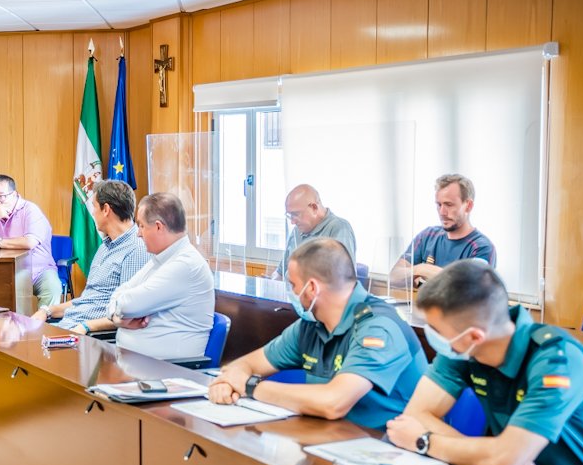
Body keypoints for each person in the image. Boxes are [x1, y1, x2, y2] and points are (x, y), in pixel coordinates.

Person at [386, 259, 583, 465]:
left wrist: (424, 441)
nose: (431, 335)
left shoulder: (558, 361)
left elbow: (504, 461)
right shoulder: (460, 348)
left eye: (435, 329)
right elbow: (416, 414)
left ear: (474, 337)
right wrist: (493, 454)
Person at [211, 238, 426, 429]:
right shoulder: (312, 324)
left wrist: (251, 386)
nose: (292, 293)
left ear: (312, 288)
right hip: (334, 440)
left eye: (293, 285)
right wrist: (228, 381)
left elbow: (333, 403)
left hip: (390, 452)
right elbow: (244, 365)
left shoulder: (378, 327)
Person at [33, 180, 149, 335]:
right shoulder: (105, 246)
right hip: (71, 324)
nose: (93, 213)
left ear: (106, 209)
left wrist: (86, 327)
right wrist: (47, 311)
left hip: (87, 336)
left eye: (94, 207)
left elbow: (128, 315)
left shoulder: (136, 250)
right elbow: (87, 300)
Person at [107, 192, 214, 359]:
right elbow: (119, 294)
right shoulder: (162, 258)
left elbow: (127, 304)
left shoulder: (185, 264)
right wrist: (116, 317)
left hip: (166, 372)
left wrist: (118, 310)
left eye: (141, 226)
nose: (138, 234)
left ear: (158, 226)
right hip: (134, 365)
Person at [0, 174, 61, 306]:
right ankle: (8, 326)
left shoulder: (30, 210)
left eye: (1, 196)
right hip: (4, 273)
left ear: (14, 194)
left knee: (52, 289)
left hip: (38, 270)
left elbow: (29, 242)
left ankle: (46, 326)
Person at [390, 173, 496, 289]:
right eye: (439, 204)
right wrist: (419, 269)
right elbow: (393, 278)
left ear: (468, 206)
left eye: (449, 205)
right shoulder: (427, 236)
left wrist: (426, 270)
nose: (442, 212)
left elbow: (469, 290)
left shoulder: (482, 248)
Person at [272, 184, 356, 279]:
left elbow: (342, 281)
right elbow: (280, 272)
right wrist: (271, 282)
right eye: (290, 215)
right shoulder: (296, 230)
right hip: (289, 292)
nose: (292, 221)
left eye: (295, 214)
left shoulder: (339, 229)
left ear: (314, 208)